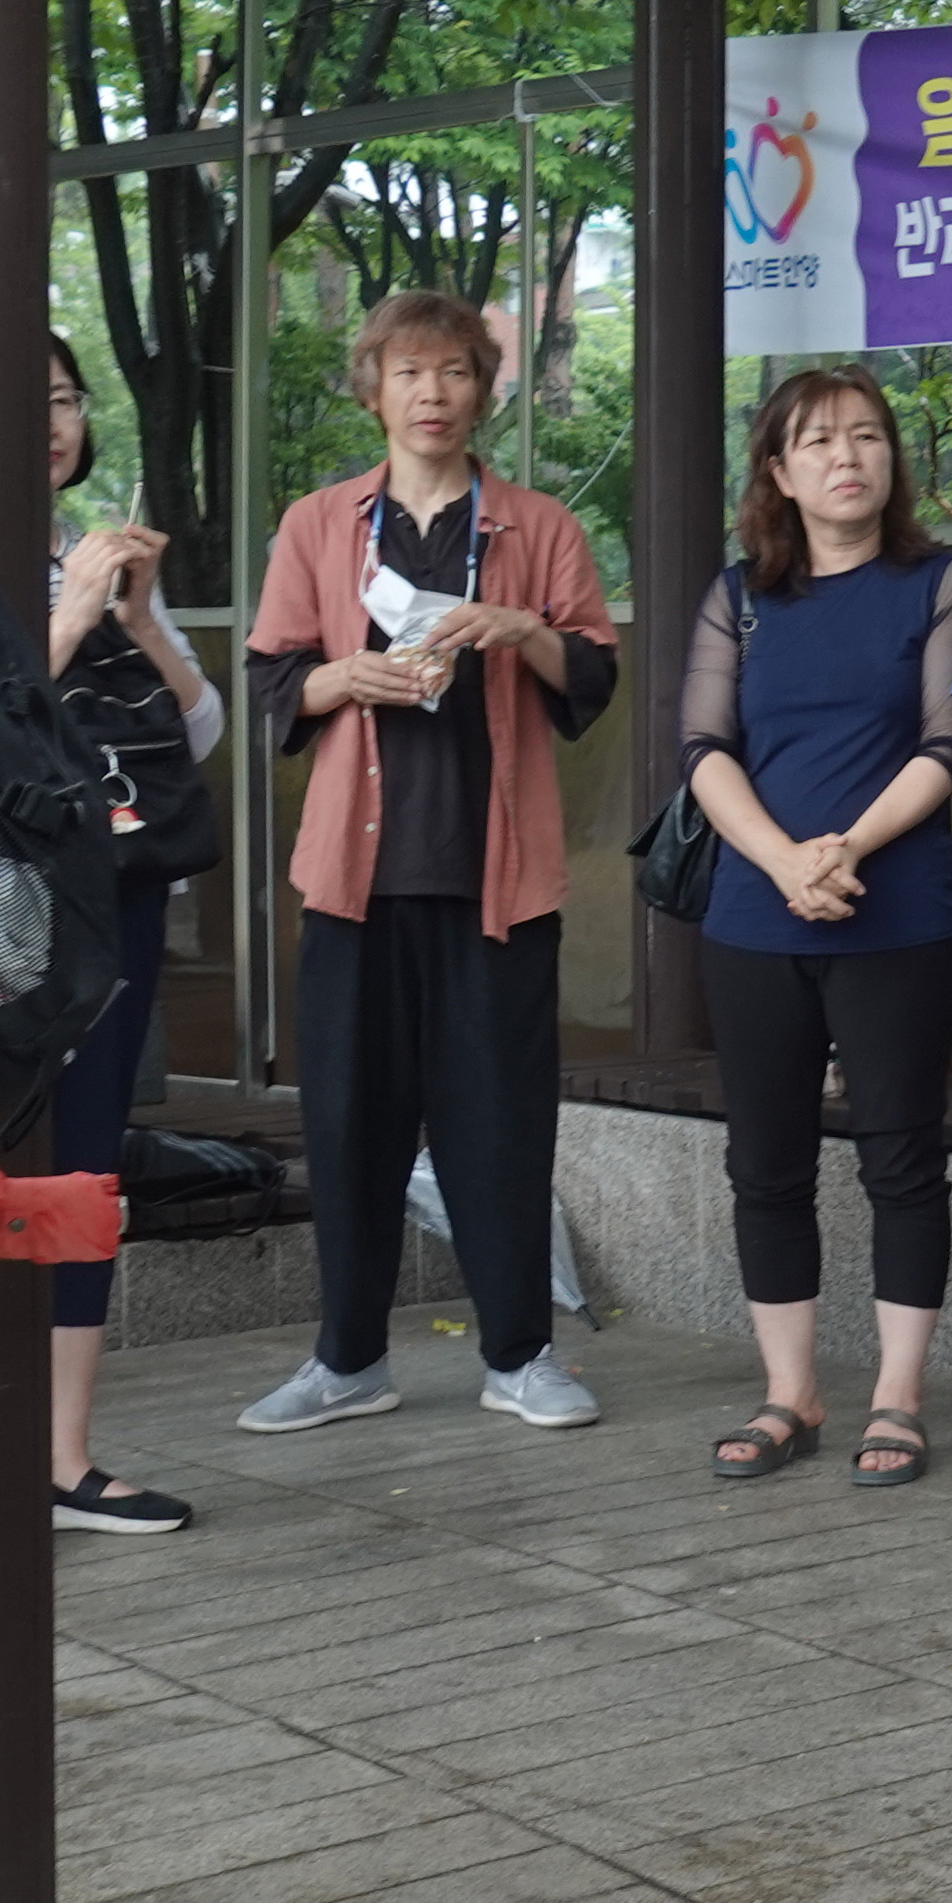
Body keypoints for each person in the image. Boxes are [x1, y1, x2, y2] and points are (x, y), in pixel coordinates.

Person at [233, 293, 619, 1438]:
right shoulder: (319, 524)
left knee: (499, 1123)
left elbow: (592, 677)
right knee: (351, 1123)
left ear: (483, 390)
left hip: (498, 878)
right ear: (375, 391)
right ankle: (348, 1360)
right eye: (409, 373)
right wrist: (342, 678)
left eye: (454, 372)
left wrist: (519, 630)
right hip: (352, 883)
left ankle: (521, 1355)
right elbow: (271, 677)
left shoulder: (536, 526)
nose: (433, 394)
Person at [685, 366, 952, 1491]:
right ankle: (790, 1392)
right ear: (779, 470)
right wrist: (780, 860)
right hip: (755, 917)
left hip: (898, 915)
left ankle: (898, 1397)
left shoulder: (936, 584)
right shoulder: (740, 598)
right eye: (817, 441)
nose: (846, 457)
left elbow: (951, 742)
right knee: (766, 1165)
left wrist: (847, 848)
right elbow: (704, 748)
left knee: (903, 1158)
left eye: (866, 436)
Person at [39, 333, 216, 1534]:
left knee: (87, 1164)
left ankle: (62, 1455)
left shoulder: (92, 552)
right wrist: (65, 614)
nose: (52, 420)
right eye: (29, 399)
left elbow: (199, 732)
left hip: (116, 896)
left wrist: (140, 619)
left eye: (63, 398)